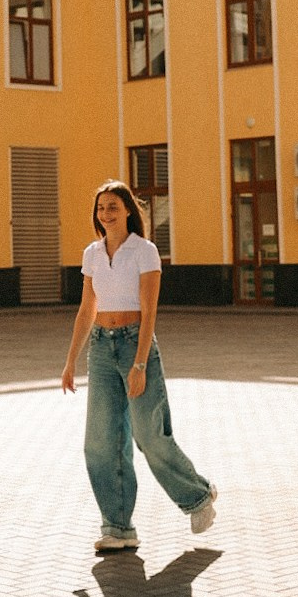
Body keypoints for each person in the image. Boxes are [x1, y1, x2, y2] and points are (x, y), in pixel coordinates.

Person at [61, 179, 217, 553]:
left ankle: (197, 496)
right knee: (99, 442)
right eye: (101, 208)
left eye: (113, 206)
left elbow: (150, 312)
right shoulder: (93, 253)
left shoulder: (144, 251)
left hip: (134, 342)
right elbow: (87, 309)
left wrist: (140, 362)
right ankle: (118, 527)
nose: (106, 213)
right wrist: (70, 362)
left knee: (148, 435)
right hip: (100, 347)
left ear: (128, 210)